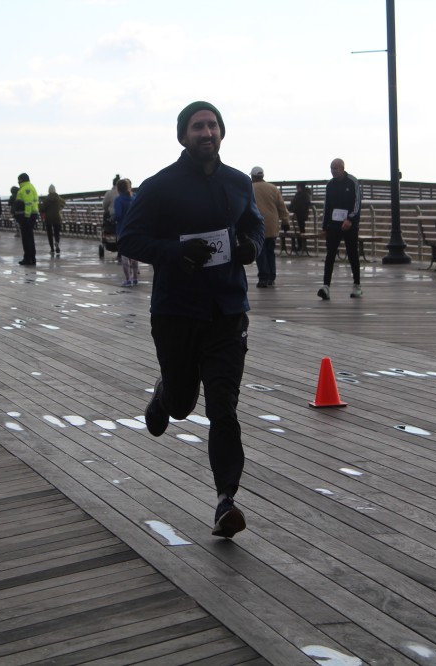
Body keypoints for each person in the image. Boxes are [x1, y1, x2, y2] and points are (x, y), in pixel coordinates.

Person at [118, 101, 264, 539]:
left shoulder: (238, 182)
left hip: (227, 312)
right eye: (198, 126)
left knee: (223, 408)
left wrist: (251, 247)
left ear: (222, 132)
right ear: (183, 136)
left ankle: (225, 501)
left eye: (213, 125)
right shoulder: (160, 186)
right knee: (183, 404)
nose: (207, 132)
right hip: (176, 312)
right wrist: (176, 252)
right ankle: (164, 396)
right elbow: (130, 239)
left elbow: (255, 227)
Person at [318, 158, 362, 300]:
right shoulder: (330, 185)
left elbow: (357, 203)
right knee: (330, 255)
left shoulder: (352, 182)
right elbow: (326, 206)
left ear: (342, 168)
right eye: (331, 168)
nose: (333, 171)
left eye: (335, 168)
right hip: (333, 224)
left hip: (349, 224)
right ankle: (326, 286)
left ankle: (357, 285)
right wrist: (324, 226)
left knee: (352, 254)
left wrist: (350, 219)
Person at [249, 166, 289, 288]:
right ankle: (272, 276)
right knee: (270, 251)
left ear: (253, 176)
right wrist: (285, 220)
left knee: (260, 252)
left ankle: (263, 277)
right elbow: (281, 206)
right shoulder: (273, 188)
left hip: (257, 225)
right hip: (272, 225)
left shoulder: (249, 188)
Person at [113, 178, 138, 286]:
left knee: (125, 255)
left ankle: (128, 279)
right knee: (135, 255)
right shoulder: (135, 197)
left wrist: (113, 218)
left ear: (118, 189)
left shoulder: (118, 200)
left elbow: (118, 215)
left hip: (122, 230)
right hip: (135, 229)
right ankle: (135, 278)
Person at [14, 173, 40, 266]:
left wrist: (27, 216)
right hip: (31, 215)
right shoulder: (30, 186)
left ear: (21, 180)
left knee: (27, 239)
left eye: (19, 180)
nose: (18, 182)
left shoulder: (26, 189)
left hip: (27, 216)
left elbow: (28, 203)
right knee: (29, 238)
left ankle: (28, 258)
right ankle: (31, 258)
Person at [41, 184, 65, 255]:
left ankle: (52, 249)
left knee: (49, 234)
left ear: (48, 190)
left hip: (48, 218)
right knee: (57, 232)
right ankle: (57, 242)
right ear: (54, 190)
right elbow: (63, 203)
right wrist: (59, 208)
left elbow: (43, 208)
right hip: (57, 217)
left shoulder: (46, 199)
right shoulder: (58, 198)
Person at [289, 182, 312, 253]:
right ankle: (301, 246)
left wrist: (292, 210)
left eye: (298, 187)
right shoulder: (304, 195)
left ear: (300, 187)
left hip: (300, 215)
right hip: (299, 215)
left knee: (301, 230)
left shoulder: (303, 195)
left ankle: (301, 246)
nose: (297, 188)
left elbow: (297, 205)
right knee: (300, 230)